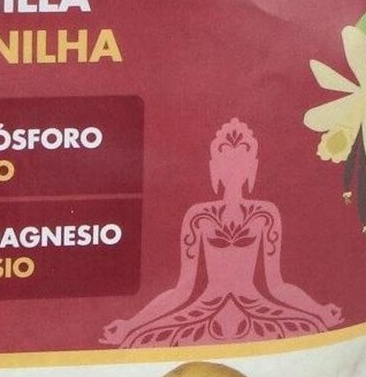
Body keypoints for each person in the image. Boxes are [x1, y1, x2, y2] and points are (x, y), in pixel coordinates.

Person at [102, 119, 342, 347]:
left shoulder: (265, 214)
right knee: (143, 339)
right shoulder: (198, 216)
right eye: (226, 163)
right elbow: (180, 292)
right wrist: (131, 325)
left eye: (241, 163)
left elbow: (277, 286)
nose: (233, 171)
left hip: (256, 309)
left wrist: (318, 311)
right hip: (205, 311)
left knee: (310, 327)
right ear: (214, 167)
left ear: (252, 167)